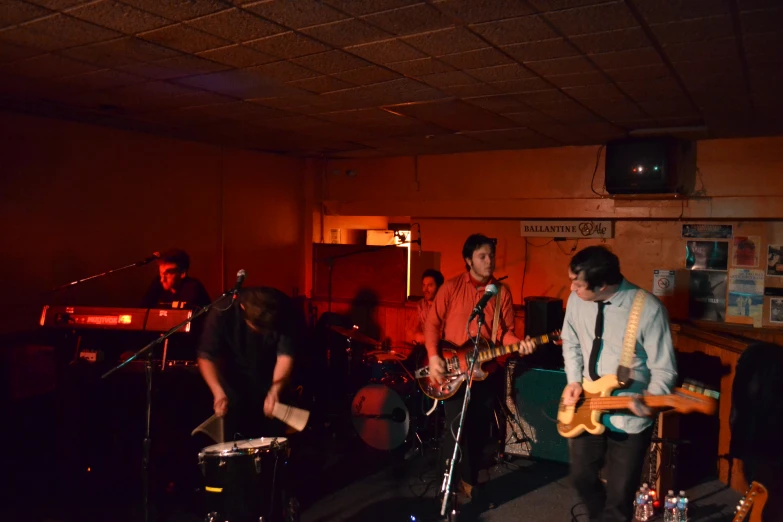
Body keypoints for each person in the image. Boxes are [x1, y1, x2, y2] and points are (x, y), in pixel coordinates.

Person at [560, 246, 678, 522]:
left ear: (601, 285)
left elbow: (665, 369)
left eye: (578, 283)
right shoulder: (576, 300)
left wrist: (650, 400)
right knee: (581, 478)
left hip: (629, 417)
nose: (571, 288)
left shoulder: (648, 309)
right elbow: (571, 342)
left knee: (620, 497)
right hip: (586, 406)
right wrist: (573, 380)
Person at [424, 234, 536, 502]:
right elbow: (432, 323)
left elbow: (504, 334)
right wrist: (432, 356)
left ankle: (469, 481)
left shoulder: (502, 293)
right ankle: (445, 486)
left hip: (485, 374)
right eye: (482, 256)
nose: (489, 261)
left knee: (477, 431)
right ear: (468, 260)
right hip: (454, 371)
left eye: (491, 256)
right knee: (453, 428)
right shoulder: (450, 288)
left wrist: (517, 343)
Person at [197, 286, 301, 438]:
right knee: (234, 440)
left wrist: (275, 390)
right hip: (232, 380)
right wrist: (218, 392)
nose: (263, 332)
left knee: (272, 440)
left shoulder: (286, 309)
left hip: (270, 376)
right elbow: (206, 356)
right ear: (242, 308)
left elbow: (285, 354)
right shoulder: (222, 310)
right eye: (258, 326)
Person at [141, 248, 211, 309]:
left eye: (167, 273)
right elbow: (141, 310)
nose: (162, 279)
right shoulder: (157, 283)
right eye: (161, 274)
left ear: (182, 273)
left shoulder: (193, 287)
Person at [407, 269, 444, 345]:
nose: (425, 289)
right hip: (424, 347)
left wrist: (422, 338)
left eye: (430, 285)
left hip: (441, 350)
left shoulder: (445, 305)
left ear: (439, 287)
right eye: (423, 285)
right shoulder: (421, 305)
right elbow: (410, 331)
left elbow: (443, 335)